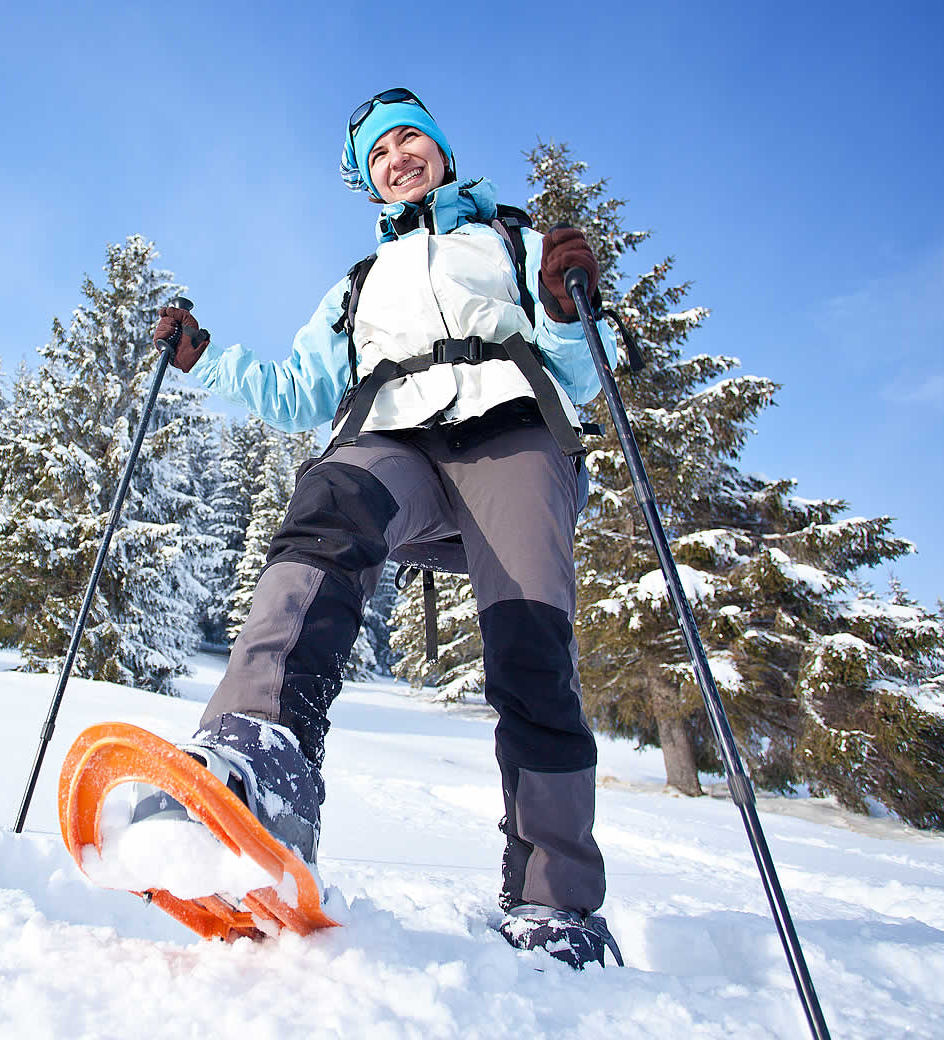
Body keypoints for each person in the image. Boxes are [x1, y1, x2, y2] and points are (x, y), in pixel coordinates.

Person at [143, 88, 619, 969]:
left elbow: (585, 376)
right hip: (391, 434)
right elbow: (297, 395)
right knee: (329, 503)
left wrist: (561, 308)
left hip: (511, 432)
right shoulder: (358, 285)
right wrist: (207, 363)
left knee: (532, 650)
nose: (399, 158)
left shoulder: (507, 242)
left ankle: (555, 899)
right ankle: (257, 766)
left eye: (411, 142)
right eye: (380, 155)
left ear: (441, 152)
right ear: (369, 182)